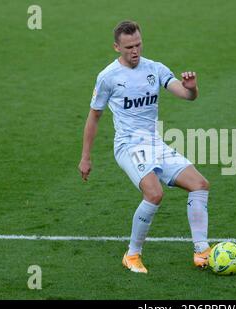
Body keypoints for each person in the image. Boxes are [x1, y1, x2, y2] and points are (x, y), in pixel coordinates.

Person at [78, 20, 211, 274]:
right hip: (128, 146)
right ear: (117, 47)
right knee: (154, 193)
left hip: (154, 143)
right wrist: (86, 157)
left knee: (200, 184)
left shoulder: (155, 68)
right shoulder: (108, 78)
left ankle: (202, 251)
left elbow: (184, 94)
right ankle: (132, 254)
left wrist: (192, 89)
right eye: (128, 47)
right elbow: (94, 117)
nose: (135, 50)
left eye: (138, 44)